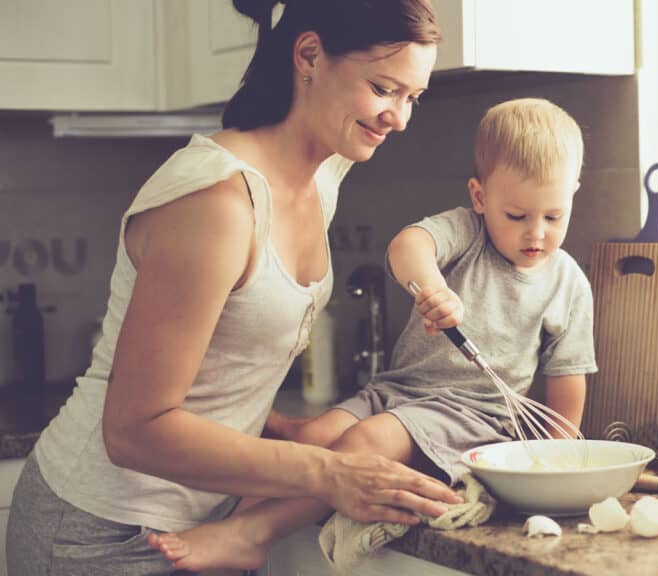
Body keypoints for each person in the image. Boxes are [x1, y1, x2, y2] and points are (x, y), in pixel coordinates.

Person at [6, 1, 462, 575]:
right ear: (310, 56)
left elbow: (217, 357)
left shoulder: (326, 172)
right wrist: (329, 473)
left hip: (206, 520)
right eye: (383, 88)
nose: (398, 116)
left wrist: (277, 428)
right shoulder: (216, 202)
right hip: (101, 532)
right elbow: (132, 430)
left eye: (412, 97)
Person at [145, 97, 598, 572]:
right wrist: (432, 285)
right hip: (397, 391)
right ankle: (235, 524)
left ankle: (253, 533)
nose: (537, 234)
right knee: (315, 438)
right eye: (518, 216)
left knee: (363, 444)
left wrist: (552, 472)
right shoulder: (467, 232)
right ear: (480, 198)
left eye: (554, 216)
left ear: (573, 196)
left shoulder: (568, 285)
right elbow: (410, 245)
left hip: (471, 418)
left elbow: (566, 400)